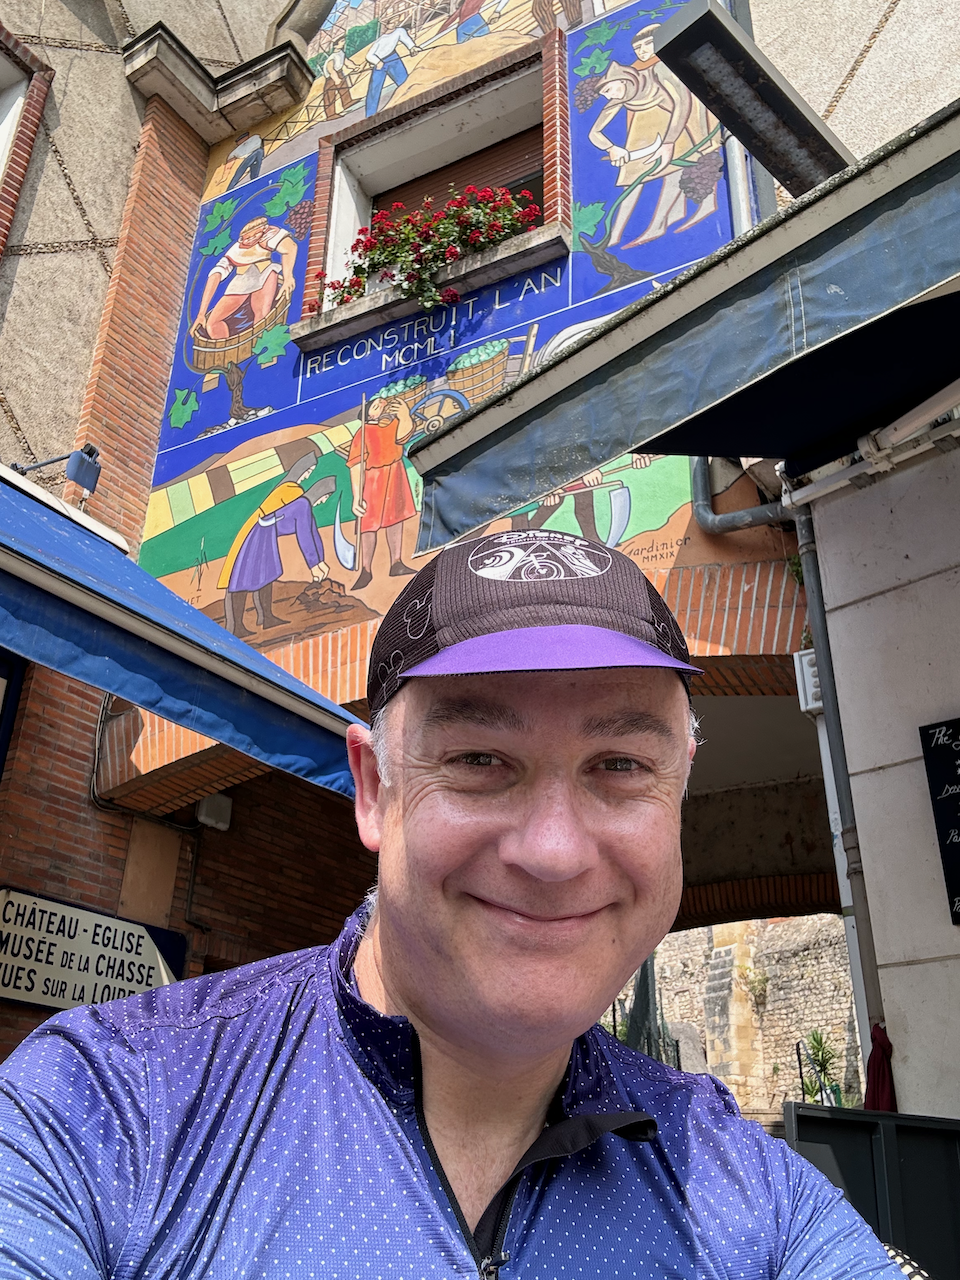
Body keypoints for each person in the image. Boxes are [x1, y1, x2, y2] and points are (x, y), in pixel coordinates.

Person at [0, 528, 903, 1278]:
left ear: (679, 788)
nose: (552, 852)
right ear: (374, 791)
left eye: (620, 765)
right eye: (479, 760)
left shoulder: (749, 1192)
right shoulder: (110, 1110)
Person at [586, 26, 720, 248]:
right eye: (637, 47)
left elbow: (683, 102)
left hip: (682, 120)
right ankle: (615, 235)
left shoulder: (661, 69)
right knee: (635, 178)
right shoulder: (626, 86)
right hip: (652, 126)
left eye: (646, 45)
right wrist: (611, 148)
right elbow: (594, 132)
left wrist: (669, 142)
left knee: (688, 165)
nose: (641, 51)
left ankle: (671, 218)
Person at [217, 451, 334, 636]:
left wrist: (321, 562)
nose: (323, 502)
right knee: (243, 577)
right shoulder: (296, 496)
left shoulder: (302, 505)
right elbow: (304, 535)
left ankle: (266, 618)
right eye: (307, 471)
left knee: (267, 573)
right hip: (257, 531)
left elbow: (313, 534)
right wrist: (313, 565)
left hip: (266, 535)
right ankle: (235, 626)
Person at [346, 393, 418, 588]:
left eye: (382, 403)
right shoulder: (363, 433)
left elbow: (404, 435)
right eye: (376, 405)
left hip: (395, 473)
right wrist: (357, 496)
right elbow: (356, 465)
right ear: (368, 414)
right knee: (369, 524)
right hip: (373, 479)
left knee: (396, 518)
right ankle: (366, 569)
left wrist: (404, 415)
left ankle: (396, 562)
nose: (381, 405)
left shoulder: (392, 425)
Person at [191, 216, 297, 342]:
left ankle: (260, 348)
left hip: (264, 273)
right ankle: (228, 355)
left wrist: (288, 278)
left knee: (261, 317)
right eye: (247, 238)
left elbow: (290, 247)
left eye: (255, 235)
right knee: (212, 323)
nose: (251, 240)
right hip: (241, 280)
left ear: (262, 230)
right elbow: (216, 274)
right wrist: (201, 313)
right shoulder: (237, 249)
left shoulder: (268, 235)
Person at [364, 24, 416, 115]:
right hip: (379, 63)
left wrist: (412, 47)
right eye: (391, 22)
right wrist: (377, 62)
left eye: (396, 21)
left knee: (404, 82)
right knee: (374, 89)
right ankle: (370, 115)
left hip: (393, 58)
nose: (394, 24)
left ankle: (412, 101)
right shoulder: (380, 40)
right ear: (386, 25)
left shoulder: (399, 31)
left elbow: (406, 39)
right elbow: (369, 56)